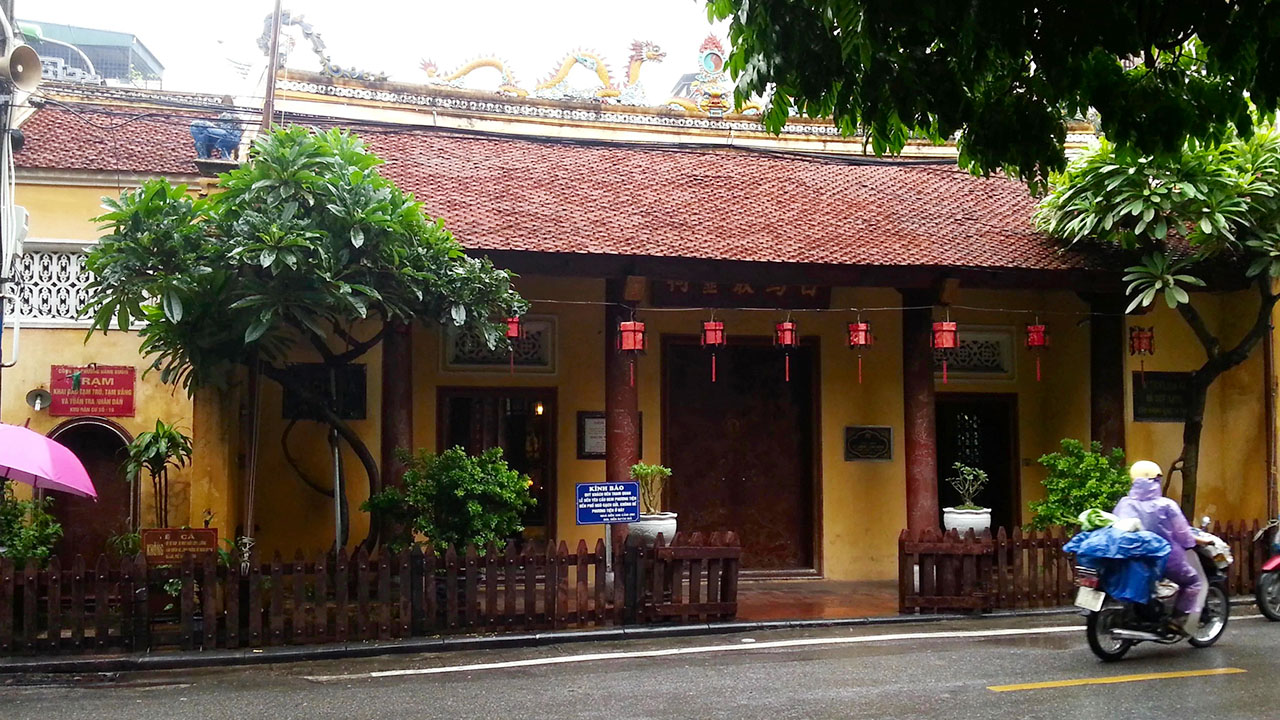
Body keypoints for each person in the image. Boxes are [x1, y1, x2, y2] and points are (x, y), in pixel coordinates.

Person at [1112, 460, 1208, 633]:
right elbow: (1183, 534)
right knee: (1193, 582)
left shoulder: (1124, 503)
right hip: (1166, 558)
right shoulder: (1166, 505)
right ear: (1155, 480)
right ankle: (1177, 620)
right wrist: (1193, 543)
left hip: (1132, 557)